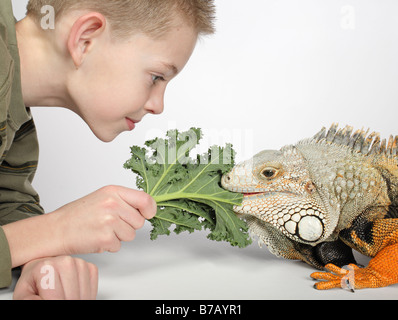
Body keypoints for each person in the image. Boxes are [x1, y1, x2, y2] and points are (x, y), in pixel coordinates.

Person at [0, 0, 216, 300]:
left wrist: (38, 259)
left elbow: (6, 203)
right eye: (156, 77)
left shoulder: (15, 119)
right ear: (85, 39)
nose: (158, 105)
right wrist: (57, 231)